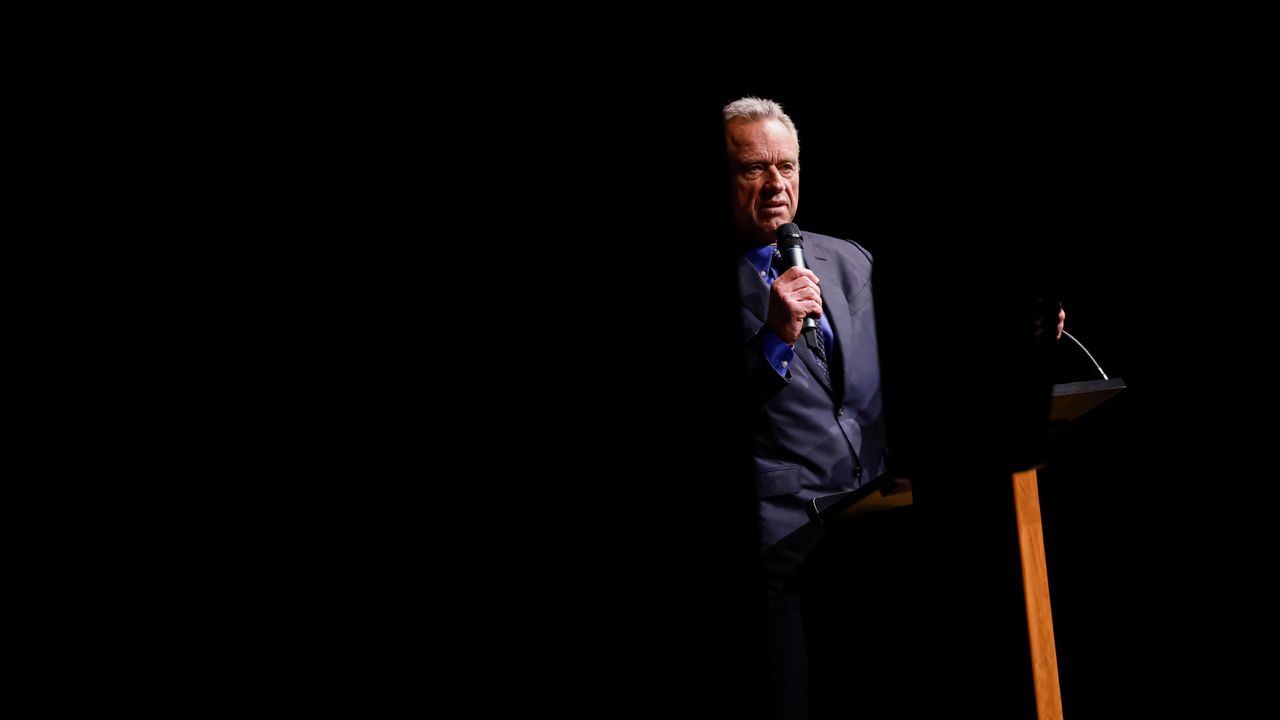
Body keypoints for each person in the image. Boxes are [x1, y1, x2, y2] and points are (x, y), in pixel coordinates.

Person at [727, 96, 1066, 719]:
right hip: (780, 555)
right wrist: (772, 338)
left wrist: (1017, 339)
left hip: (876, 535)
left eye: (787, 166)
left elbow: (930, 353)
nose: (775, 184)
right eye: (753, 169)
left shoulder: (848, 260)